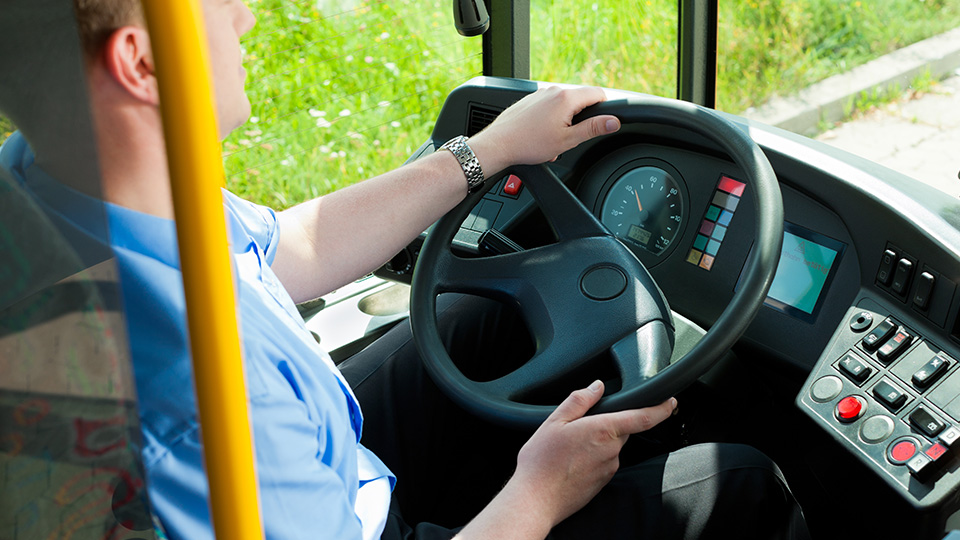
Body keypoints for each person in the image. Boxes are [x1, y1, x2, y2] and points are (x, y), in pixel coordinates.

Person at [0, 0, 810, 539]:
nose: (244, 18)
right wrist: (539, 492)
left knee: (487, 324)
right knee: (737, 485)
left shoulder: (57, 180)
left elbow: (293, 247)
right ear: (141, 62)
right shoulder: (191, 388)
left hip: (323, 469)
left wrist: (488, 149)